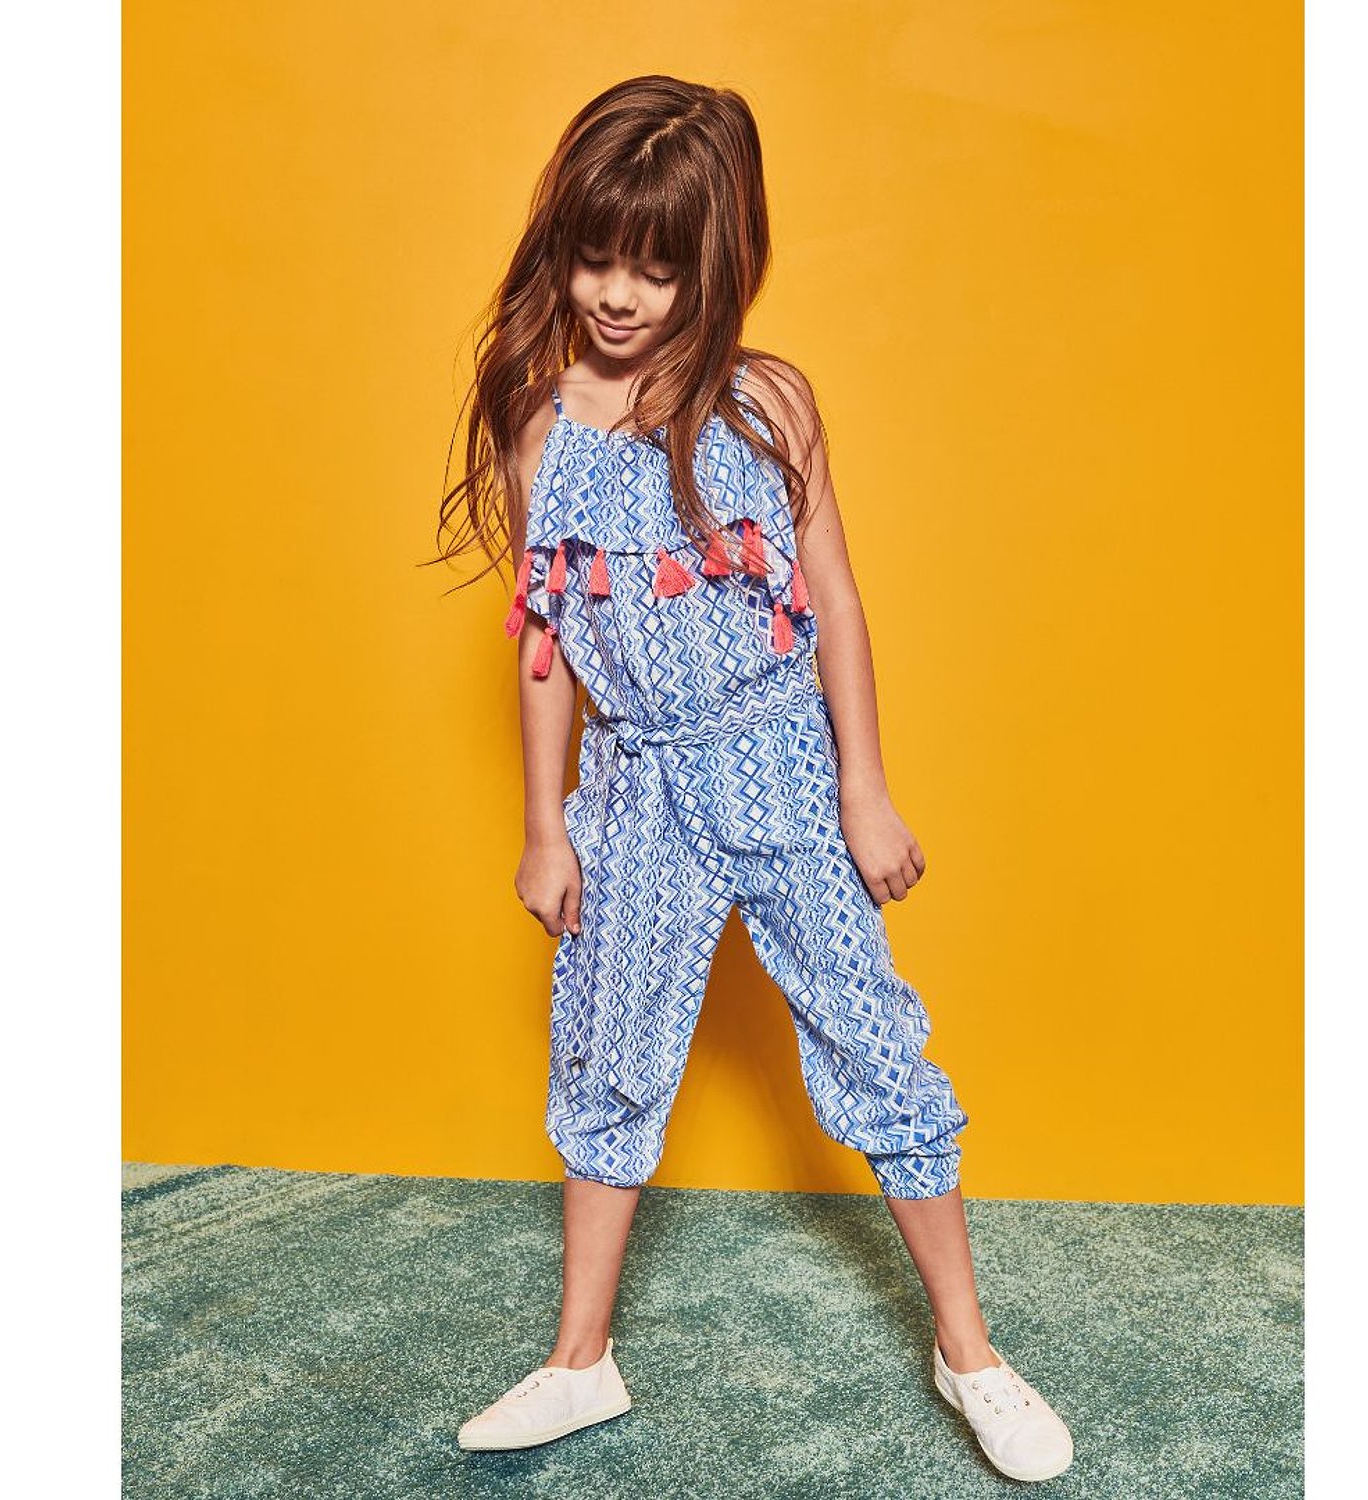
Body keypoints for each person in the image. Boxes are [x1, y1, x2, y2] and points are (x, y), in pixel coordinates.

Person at [435, 75, 1074, 1484]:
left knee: (872, 1041)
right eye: (597, 258)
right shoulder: (542, 425)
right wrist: (545, 825)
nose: (617, 295)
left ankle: (970, 1353)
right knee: (609, 1053)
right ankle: (579, 1360)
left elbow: (835, 602)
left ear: (715, 265)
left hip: (781, 760)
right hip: (637, 787)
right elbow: (545, 641)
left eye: (655, 269)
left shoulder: (765, 404)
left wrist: (864, 789)